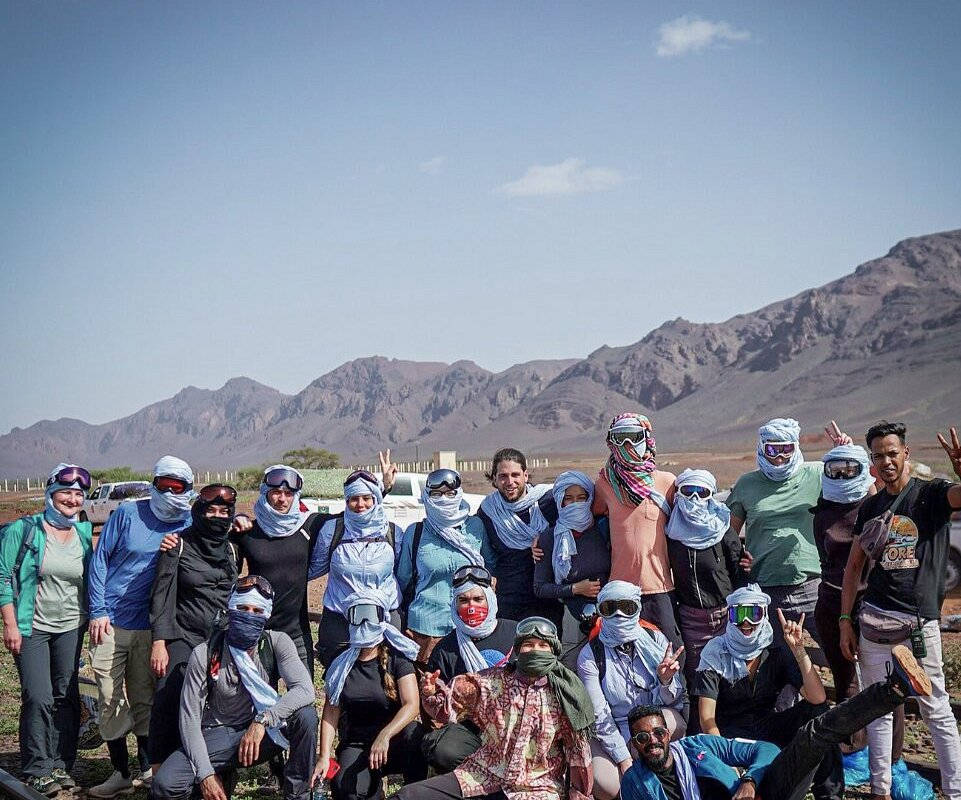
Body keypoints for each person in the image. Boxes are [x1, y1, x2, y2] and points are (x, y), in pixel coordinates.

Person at [620, 644, 932, 800]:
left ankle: (895, 688)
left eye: (657, 732)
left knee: (814, 733)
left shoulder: (695, 747)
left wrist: (750, 780)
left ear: (667, 733)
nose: (653, 742)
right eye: (642, 739)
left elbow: (767, 751)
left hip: (765, 792)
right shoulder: (635, 782)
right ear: (634, 745)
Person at [840, 421, 961, 799]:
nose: (887, 461)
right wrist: (846, 621)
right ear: (872, 462)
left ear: (906, 453)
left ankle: (955, 791)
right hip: (874, 621)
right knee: (877, 709)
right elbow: (853, 568)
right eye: (879, 455)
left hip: (918, 624)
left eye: (893, 453)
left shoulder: (931, 495)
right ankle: (881, 791)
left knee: (934, 709)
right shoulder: (872, 506)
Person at [150, 577, 317, 800]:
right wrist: (206, 775)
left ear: (266, 615)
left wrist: (262, 720)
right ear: (231, 608)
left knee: (305, 716)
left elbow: (306, 690)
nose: (249, 615)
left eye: (257, 610)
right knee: (166, 785)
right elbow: (189, 721)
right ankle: (218, 775)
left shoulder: (276, 643)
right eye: (243, 608)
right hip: (218, 734)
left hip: (263, 732)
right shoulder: (205, 654)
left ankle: (298, 795)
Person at [88, 455, 195, 798]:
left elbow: (215, 539)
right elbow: (100, 558)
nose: (168, 492)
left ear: (188, 489)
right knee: (108, 695)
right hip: (112, 621)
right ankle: (119, 772)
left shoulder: (189, 522)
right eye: (163, 485)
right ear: (153, 483)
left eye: (177, 487)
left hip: (152, 627)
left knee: (145, 698)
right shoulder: (128, 513)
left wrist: (239, 521)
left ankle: (147, 769)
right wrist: (98, 609)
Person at [232, 453, 397, 676]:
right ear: (265, 493)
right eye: (276, 492)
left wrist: (383, 489)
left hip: (297, 631)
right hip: (257, 627)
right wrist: (235, 518)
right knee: (260, 700)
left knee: (305, 700)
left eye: (288, 493)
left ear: (295, 496)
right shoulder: (248, 532)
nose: (282, 499)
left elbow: (357, 513)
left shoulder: (309, 525)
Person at [397, 616, 593, 800]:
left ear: (553, 651)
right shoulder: (492, 681)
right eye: (528, 645)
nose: (535, 651)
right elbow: (445, 708)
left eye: (543, 646)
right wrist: (430, 693)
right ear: (517, 649)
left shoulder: (566, 693)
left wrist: (578, 793)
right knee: (407, 795)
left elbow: (578, 752)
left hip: (537, 787)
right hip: (484, 773)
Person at [693, 585, 842, 800]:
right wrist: (726, 758)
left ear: (764, 616)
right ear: (730, 616)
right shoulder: (716, 652)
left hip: (767, 726)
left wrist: (799, 650)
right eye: (739, 614)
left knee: (819, 712)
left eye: (754, 614)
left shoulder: (776, 649)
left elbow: (817, 697)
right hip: (729, 735)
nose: (746, 623)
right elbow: (707, 720)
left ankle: (830, 795)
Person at [0, 464, 93, 796]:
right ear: (51, 492)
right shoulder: (24, 530)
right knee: (37, 697)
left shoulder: (83, 533)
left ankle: (60, 763)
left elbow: (90, 580)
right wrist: (10, 624)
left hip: (71, 625)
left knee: (65, 697)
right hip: (31, 627)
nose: (72, 498)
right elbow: (2, 578)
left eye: (79, 493)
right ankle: (37, 768)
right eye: (65, 491)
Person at [726, 419, 851, 658]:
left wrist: (845, 456)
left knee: (839, 653)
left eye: (787, 449)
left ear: (795, 447)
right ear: (762, 448)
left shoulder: (816, 474)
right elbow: (727, 536)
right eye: (773, 449)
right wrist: (739, 560)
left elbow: (854, 494)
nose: (780, 456)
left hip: (813, 586)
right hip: (764, 589)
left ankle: (850, 696)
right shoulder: (747, 484)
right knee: (772, 661)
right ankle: (790, 696)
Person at [810, 445, 905, 758]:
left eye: (850, 469)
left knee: (886, 682)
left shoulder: (876, 507)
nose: (842, 475)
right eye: (835, 469)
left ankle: (891, 756)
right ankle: (852, 748)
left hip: (873, 602)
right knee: (845, 678)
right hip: (830, 599)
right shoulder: (822, 509)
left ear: (863, 470)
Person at [148, 484, 240, 770]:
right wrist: (160, 642)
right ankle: (160, 769)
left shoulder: (233, 549)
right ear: (198, 512)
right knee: (170, 699)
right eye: (210, 510)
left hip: (220, 640)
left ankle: (204, 765)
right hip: (182, 637)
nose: (217, 516)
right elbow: (161, 595)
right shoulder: (178, 545)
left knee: (213, 705)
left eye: (224, 512)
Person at [576, 581, 686, 800]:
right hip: (614, 727)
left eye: (626, 608)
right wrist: (623, 758)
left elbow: (672, 702)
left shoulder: (655, 640)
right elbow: (600, 715)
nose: (618, 615)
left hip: (650, 720)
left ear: (637, 608)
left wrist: (665, 680)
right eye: (610, 608)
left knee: (676, 723)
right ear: (600, 612)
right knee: (606, 785)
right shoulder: (590, 655)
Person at [312, 591, 426, 800]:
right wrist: (324, 756)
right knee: (345, 790)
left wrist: (385, 735)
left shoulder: (397, 657)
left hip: (393, 741)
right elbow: (330, 712)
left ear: (383, 618)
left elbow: (412, 705)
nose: (365, 622)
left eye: (371, 614)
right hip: (357, 745)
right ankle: (374, 790)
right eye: (358, 614)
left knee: (415, 735)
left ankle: (414, 792)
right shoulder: (340, 663)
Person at [591, 413, 682, 651]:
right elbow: (585, 519)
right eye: (620, 438)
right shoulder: (605, 484)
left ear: (647, 438)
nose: (628, 445)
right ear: (611, 442)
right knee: (623, 650)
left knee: (671, 649)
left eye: (634, 437)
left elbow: (692, 522)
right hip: (619, 587)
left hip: (659, 586)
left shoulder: (666, 482)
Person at [422, 565, 517, 773]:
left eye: (477, 599)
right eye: (463, 601)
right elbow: (441, 710)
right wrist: (430, 695)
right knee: (444, 750)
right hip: (471, 729)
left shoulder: (517, 634)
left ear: (490, 600)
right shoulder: (445, 649)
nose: (471, 606)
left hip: (517, 724)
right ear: (454, 605)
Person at [309, 470, 404, 668]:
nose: (360, 504)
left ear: (376, 498)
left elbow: (404, 576)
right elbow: (313, 568)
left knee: (387, 677)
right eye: (354, 498)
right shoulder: (333, 530)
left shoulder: (392, 532)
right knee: (337, 679)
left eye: (366, 498)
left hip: (385, 617)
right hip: (339, 620)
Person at [396, 468, 492, 664]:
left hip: (469, 625)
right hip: (425, 628)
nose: (444, 499)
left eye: (450, 494)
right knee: (430, 689)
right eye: (436, 494)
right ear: (427, 496)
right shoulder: (415, 533)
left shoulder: (476, 527)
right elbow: (403, 580)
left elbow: (489, 568)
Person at [665, 469, 749, 691]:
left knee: (733, 676)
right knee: (698, 678)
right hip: (691, 619)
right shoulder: (671, 531)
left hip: (726, 616)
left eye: (701, 492)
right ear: (678, 493)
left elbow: (738, 571)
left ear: (710, 494)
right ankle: (703, 724)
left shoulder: (722, 530)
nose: (694, 498)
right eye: (687, 490)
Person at [475, 448, 561, 627]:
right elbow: (483, 554)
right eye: (503, 476)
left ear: (525, 475)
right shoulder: (488, 512)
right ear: (494, 479)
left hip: (546, 597)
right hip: (508, 599)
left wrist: (546, 537)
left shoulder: (549, 501)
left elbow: (575, 525)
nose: (510, 482)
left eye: (515, 475)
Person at [533, 471, 611, 631]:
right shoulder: (550, 537)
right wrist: (575, 589)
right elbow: (540, 588)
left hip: (610, 608)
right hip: (575, 615)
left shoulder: (603, 527)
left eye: (581, 498)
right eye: (569, 498)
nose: (576, 503)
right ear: (560, 501)